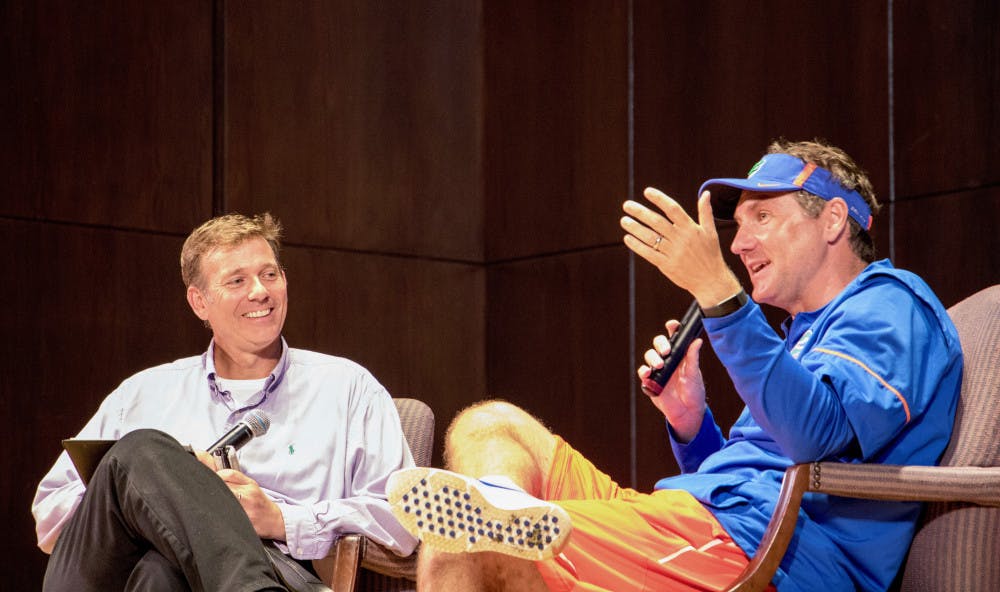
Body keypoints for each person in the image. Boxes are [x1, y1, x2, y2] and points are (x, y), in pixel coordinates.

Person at [385, 139, 963, 591]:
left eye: (762, 217)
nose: (738, 245)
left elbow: (816, 439)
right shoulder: (797, 338)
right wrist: (692, 423)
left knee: (471, 544)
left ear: (834, 219)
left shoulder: (892, 303)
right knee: (492, 428)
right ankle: (502, 505)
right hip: (715, 527)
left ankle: (506, 523)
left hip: (773, 559)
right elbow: (741, 477)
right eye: (740, 226)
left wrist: (720, 294)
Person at [33, 213, 418, 591]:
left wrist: (281, 519)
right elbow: (51, 517)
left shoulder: (347, 388)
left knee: (160, 564)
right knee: (143, 457)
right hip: (133, 572)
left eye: (270, 274)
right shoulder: (142, 393)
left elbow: (403, 519)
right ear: (199, 302)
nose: (260, 291)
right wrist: (176, 493)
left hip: (280, 568)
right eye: (237, 280)